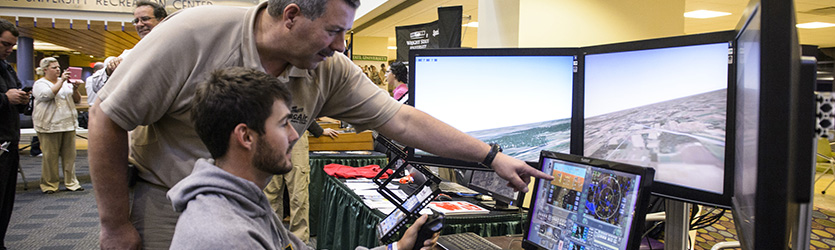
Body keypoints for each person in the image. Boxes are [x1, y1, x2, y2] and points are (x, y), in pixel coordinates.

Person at [89, 0, 552, 248]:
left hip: (247, 199)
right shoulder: (191, 35)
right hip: (165, 201)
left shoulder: (325, 66)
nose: (341, 45)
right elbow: (108, 117)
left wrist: (492, 156)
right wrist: (114, 225)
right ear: (291, 16)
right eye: (333, 31)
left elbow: (403, 120)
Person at [169, 67, 436, 250]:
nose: (293, 134)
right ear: (246, 137)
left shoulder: (245, 203)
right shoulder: (225, 235)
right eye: (283, 123)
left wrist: (396, 247)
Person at [262, 121, 338, 241]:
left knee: (298, 193)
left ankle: (299, 240)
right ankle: (270, 237)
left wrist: (319, 130)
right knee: (270, 194)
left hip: (296, 135)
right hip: (270, 135)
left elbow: (306, 110)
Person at [32, 57, 85, 194]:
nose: (57, 69)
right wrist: (61, 81)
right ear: (45, 70)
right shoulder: (40, 84)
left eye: (58, 67)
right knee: (50, 157)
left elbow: (77, 100)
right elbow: (47, 95)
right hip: (49, 125)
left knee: (70, 157)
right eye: (54, 67)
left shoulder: (66, 84)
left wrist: (74, 88)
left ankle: (71, 183)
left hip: (68, 124)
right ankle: (50, 185)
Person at [0, 18, 25, 250]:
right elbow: (6, 97)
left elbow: (15, 93)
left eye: (12, 46)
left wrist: (22, 99)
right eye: (5, 44)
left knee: (6, 201)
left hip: (9, 141)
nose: (9, 50)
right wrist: (5, 98)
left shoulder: (6, 68)